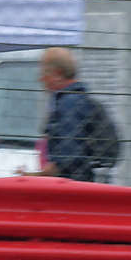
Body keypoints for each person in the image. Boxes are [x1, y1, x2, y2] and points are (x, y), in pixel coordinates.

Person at [27, 47, 115, 181]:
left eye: (44, 73)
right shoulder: (77, 99)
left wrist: (35, 176)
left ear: (57, 74)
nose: (41, 79)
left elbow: (68, 156)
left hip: (70, 186)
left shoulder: (69, 103)